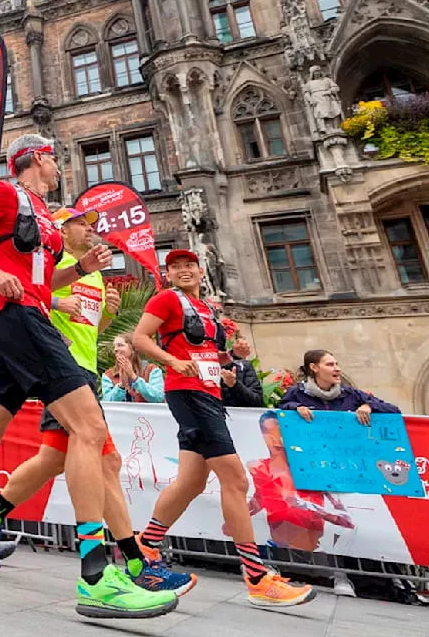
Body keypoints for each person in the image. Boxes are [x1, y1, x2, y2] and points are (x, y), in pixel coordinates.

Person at [0, 133, 176, 619]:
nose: (61, 166)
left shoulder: (46, 213)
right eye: (56, 158)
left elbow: (41, 282)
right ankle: (95, 575)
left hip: (26, 316)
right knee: (88, 428)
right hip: (18, 318)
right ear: (39, 158)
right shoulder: (5, 193)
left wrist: (80, 268)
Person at [0, 208, 195, 594]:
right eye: (81, 223)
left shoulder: (94, 275)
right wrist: (55, 306)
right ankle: (131, 563)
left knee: (54, 458)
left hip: (83, 367)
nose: (89, 230)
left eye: (91, 224)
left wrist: (108, 316)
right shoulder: (52, 261)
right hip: (60, 370)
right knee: (106, 459)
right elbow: (29, 301)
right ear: (61, 228)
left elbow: (91, 327)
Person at [132, 248, 314, 607]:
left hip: (208, 395)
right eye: (175, 266)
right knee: (236, 480)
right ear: (168, 274)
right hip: (189, 395)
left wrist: (229, 357)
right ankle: (257, 577)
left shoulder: (205, 309)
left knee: (191, 481)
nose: (183, 270)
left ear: (200, 272)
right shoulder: (167, 299)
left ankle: (145, 545)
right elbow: (140, 338)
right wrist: (172, 362)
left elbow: (203, 354)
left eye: (189, 265)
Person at [247, 410, 358, 596]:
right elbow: (257, 501)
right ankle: (266, 568)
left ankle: (340, 575)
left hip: (315, 536)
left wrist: (309, 507)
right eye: (269, 433)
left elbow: (346, 520)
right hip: (279, 536)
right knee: (250, 526)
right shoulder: (259, 467)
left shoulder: (314, 467)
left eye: (280, 433)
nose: (276, 440)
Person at [279, 350, 400, 423]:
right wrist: (296, 408)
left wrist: (369, 406)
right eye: (330, 365)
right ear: (314, 368)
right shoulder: (296, 393)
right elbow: (279, 409)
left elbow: (394, 410)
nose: (337, 369)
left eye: (337, 364)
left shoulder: (350, 393)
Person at [101, 334, 164, 403]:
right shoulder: (108, 375)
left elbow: (158, 397)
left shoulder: (151, 370)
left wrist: (134, 377)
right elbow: (107, 403)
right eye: (114, 346)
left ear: (133, 348)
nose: (115, 349)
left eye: (120, 345)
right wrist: (121, 385)